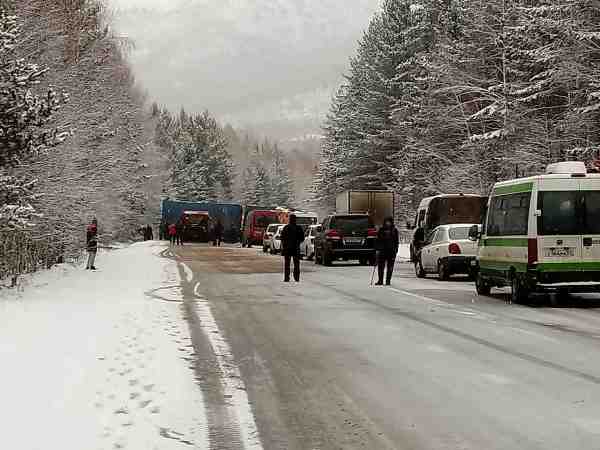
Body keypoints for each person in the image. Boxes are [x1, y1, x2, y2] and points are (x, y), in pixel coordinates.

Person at [375, 217, 400, 286]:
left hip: (391, 251)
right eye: (386, 222)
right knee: (381, 266)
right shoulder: (381, 230)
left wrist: (396, 250)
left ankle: (388, 281)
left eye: (389, 222)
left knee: (390, 267)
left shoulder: (394, 230)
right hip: (382, 251)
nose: (388, 223)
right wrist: (377, 249)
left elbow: (396, 241)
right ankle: (380, 280)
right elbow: (378, 240)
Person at [281, 214, 305, 282]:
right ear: (295, 220)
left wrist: (285, 245)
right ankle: (296, 278)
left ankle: (286, 278)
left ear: (289, 219)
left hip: (287, 249)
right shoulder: (299, 228)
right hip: (296, 248)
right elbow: (302, 238)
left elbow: (282, 238)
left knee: (287, 264)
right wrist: (297, 242)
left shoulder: (286, 227)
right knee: (296, 264)